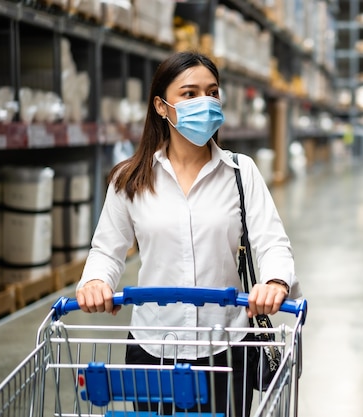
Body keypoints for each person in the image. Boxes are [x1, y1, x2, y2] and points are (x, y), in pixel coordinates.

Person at [75, 51, 301, 416]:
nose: (205, 103)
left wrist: (274, 281)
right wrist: (96, 282)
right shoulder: (130, 179)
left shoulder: (241, 173)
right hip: (152, 347)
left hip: (226, 346)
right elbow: (106, 250)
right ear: (161, 106)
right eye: (190, 93)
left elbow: (272, 242)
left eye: (212, 93)